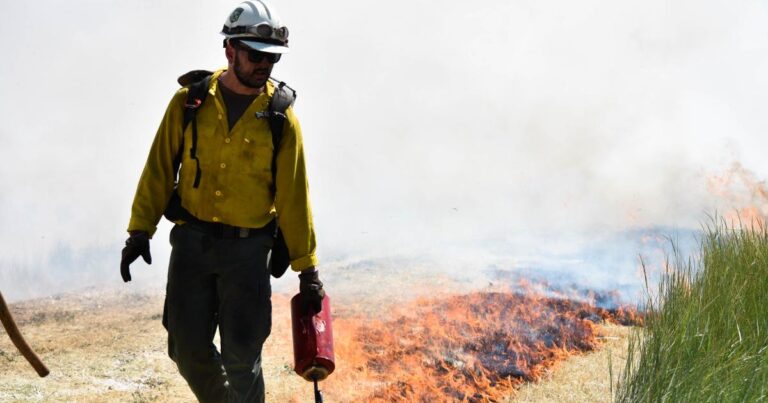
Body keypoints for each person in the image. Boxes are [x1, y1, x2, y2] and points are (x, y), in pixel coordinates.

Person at [119, 1, 324, 401]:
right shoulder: (189, 103)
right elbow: (159, 170)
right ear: (230, 50)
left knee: (242, 357)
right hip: (192, 245)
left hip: (249, 253)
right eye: (255, 54)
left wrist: (308, 271)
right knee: (185, 347)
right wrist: (139, 231)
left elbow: (294, 199)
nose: (265, 64)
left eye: (272, 57)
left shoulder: (281, 120)